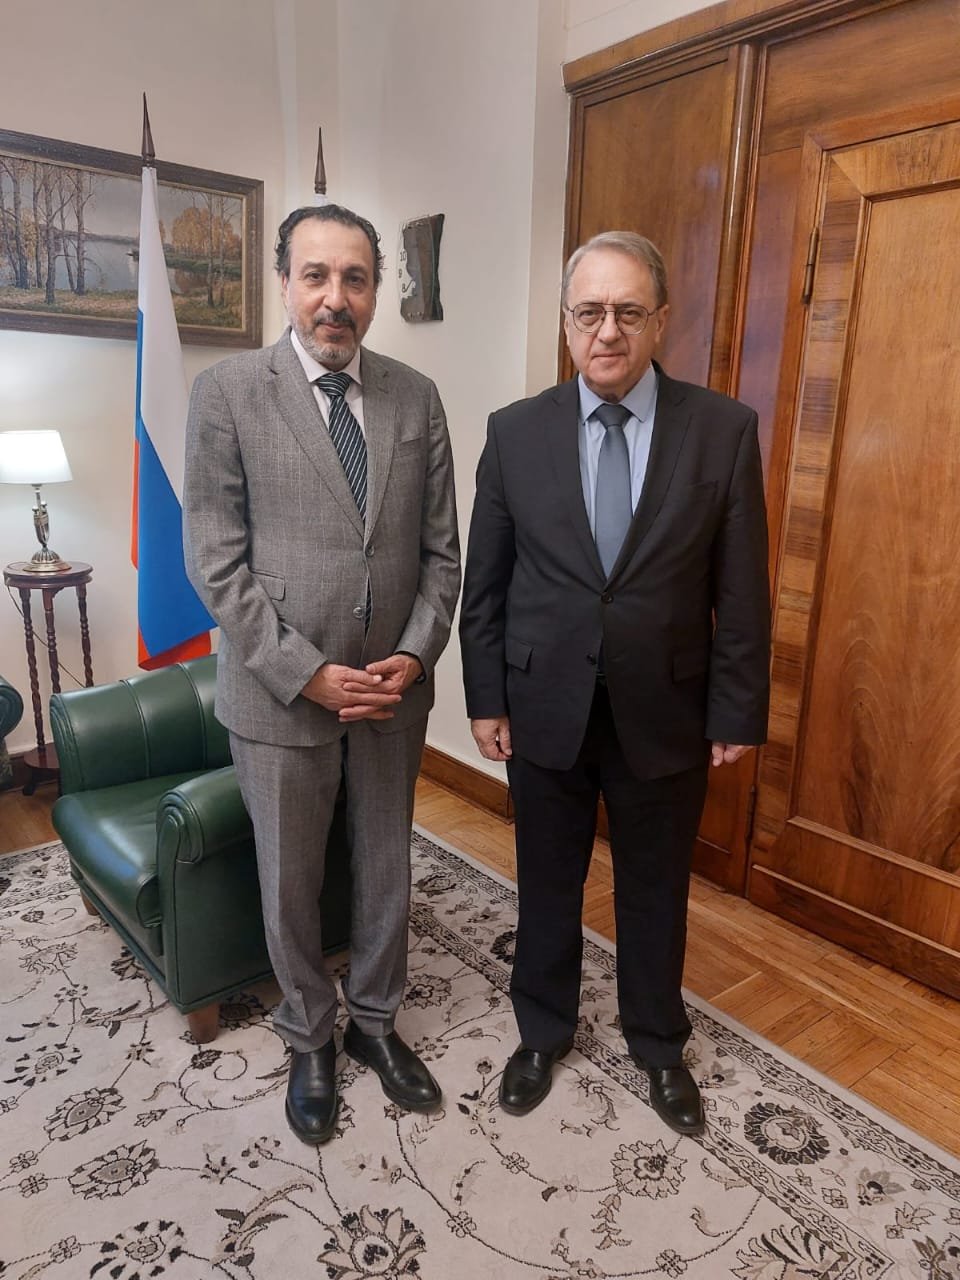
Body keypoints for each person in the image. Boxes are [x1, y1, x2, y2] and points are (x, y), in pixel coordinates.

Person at [459, 231, 770, 1136]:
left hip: (666, 708)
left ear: (660, 320)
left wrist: (737, 707)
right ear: (566, 323)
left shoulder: (722, 430)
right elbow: (487, 582)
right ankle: (541, 1032)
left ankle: (658, 1043)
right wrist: (485, 698)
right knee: (546, 881)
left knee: (655, 888)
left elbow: (741, 589)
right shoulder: (515, 432)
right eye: (590, 312)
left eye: (628, 312)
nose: (608, 331)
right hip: (541, 705)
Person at [184, 203, 460, 1145]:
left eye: (355, 278)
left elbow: (442, 554)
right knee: (290, 880)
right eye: (316, 275)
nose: (335, 298)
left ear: (375, 291)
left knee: (387, 869)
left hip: (391, 693)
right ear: (286, 284)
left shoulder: (416, 396)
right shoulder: (227, 392)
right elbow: (215, 563)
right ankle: (309, 1037)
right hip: (280, 696)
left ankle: (376, 1024)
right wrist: (306, 674)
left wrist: (414, 655)